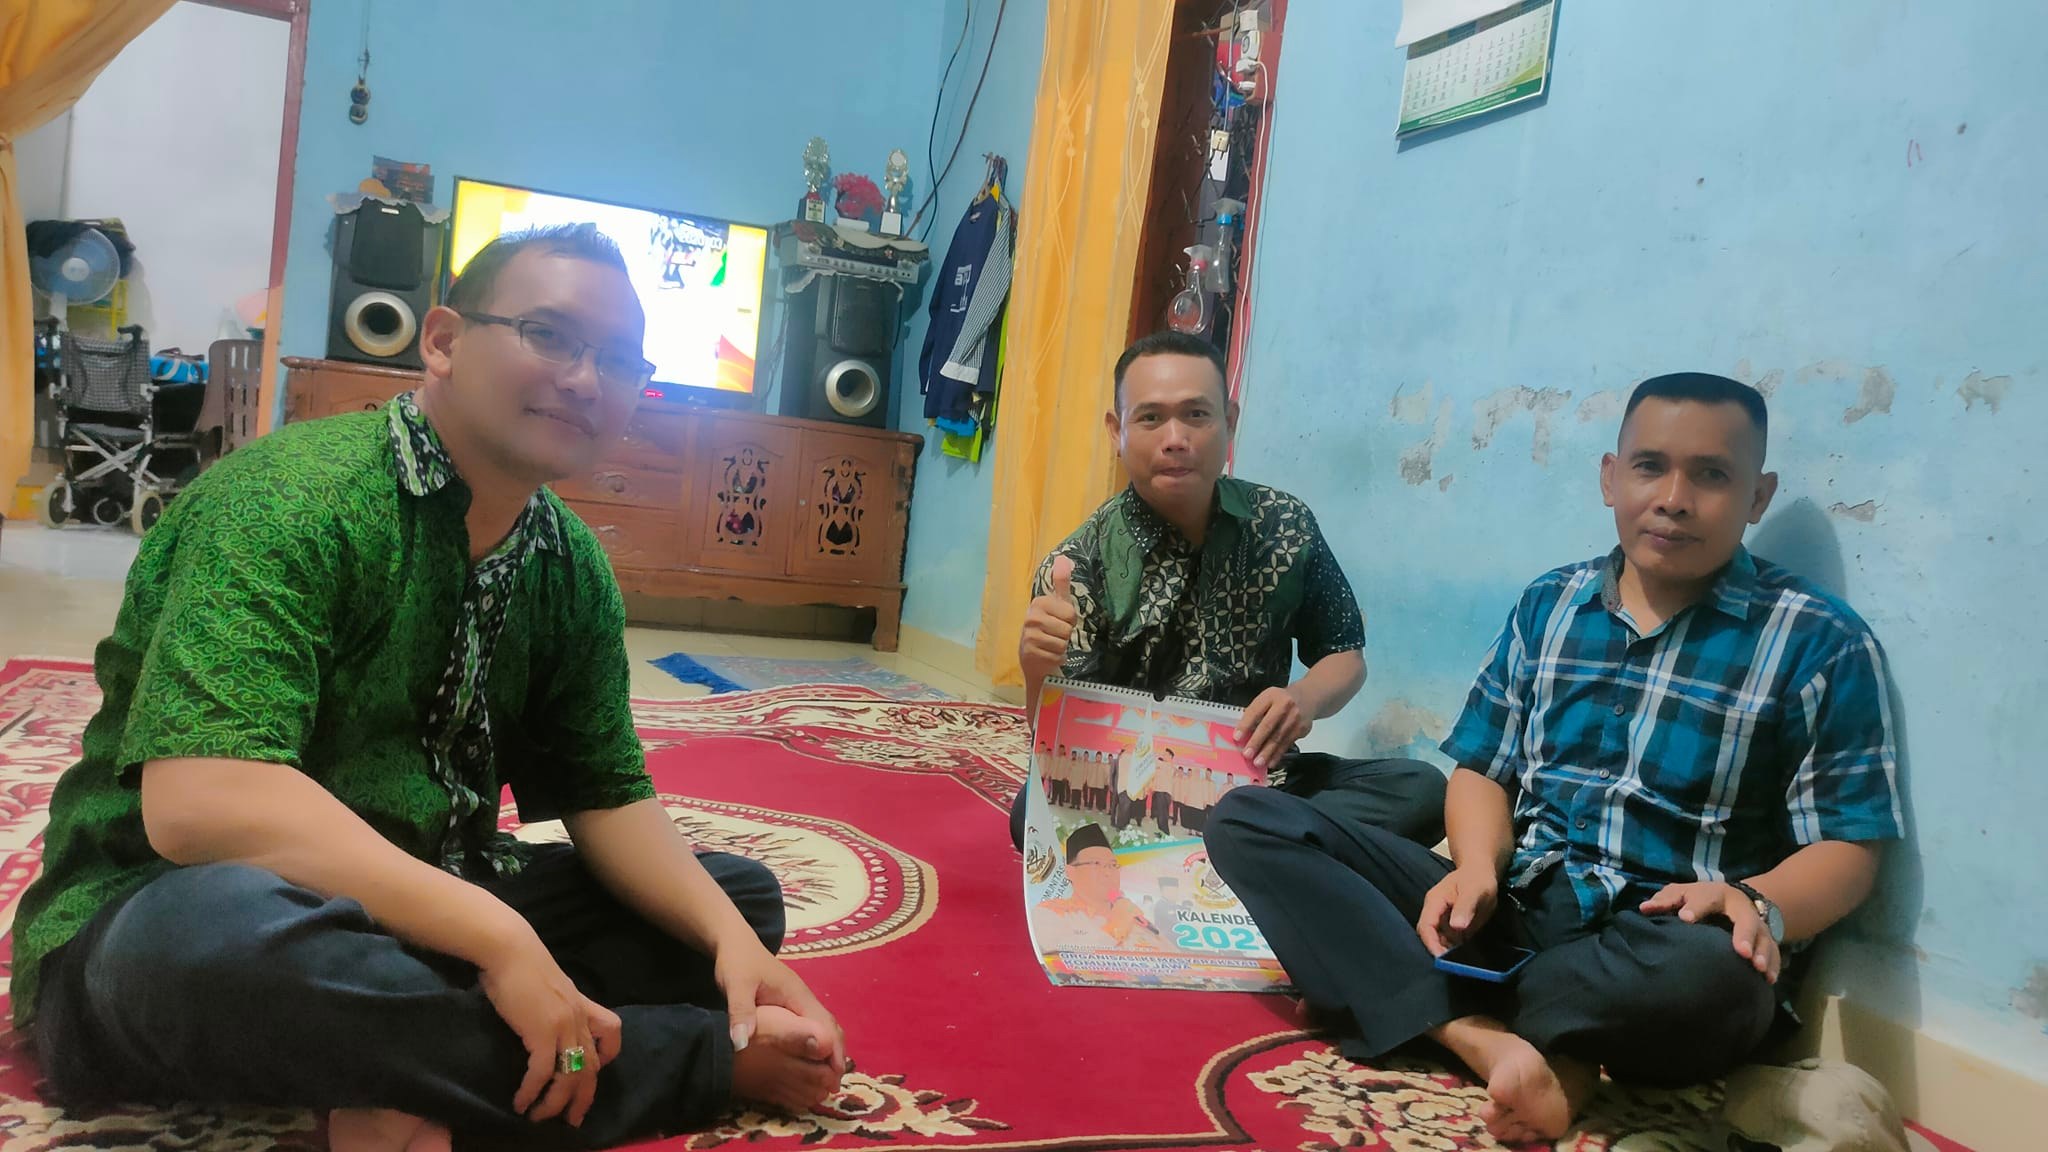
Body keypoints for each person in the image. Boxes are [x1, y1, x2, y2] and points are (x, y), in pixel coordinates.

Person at [10, 225, 850, 1152]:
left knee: (736, 901)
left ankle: (410, 1069)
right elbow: (203, 804)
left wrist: (733, 945)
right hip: (172, 904)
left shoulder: (568, 562)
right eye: (550, 336)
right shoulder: (291, 499)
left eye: (617, 359)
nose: (585, 379)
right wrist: (496, 939)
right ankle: (673, 1060)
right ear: (444, 340)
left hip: (429, 896)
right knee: (205, 947)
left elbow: (606, 794)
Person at [1206, 374, 1904, 1144]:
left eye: (1711, 475)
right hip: (1516, 908)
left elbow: (1852, 847)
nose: (1674, 499)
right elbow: (1481, 768)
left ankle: (1398, 990)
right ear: (1611, 478)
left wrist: (1755, 901)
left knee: (1723, 982)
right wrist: (1475, 868)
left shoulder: (1820, 642)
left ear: (1757, 495)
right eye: (1650, 467)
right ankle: (1485, 1038)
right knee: (1251, 820)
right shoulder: (1550, 605)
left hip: (1658, 944)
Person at [1011, 331, 1445, 851]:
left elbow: (1345, 655)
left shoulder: (1284, 526)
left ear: (1230, 421)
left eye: (1196, 414)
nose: (1176, 438)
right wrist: (1035, 670)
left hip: (1261, 782)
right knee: (1031, 811)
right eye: (1150, 418)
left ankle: (1229, 843)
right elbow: (1060, 744)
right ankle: (1260, 850)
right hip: (1130, 786)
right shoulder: (1078, 565)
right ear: (1116, 430)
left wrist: (1302, 699)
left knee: (1422, 790)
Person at [1032, 824, 1168, 951]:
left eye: (1112, 865)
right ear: (1070, 872)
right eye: (1096, 864)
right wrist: (1116, 925)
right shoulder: (1049, 913)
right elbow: (1058, 952)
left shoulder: (1134, 918)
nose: (1108, 872)